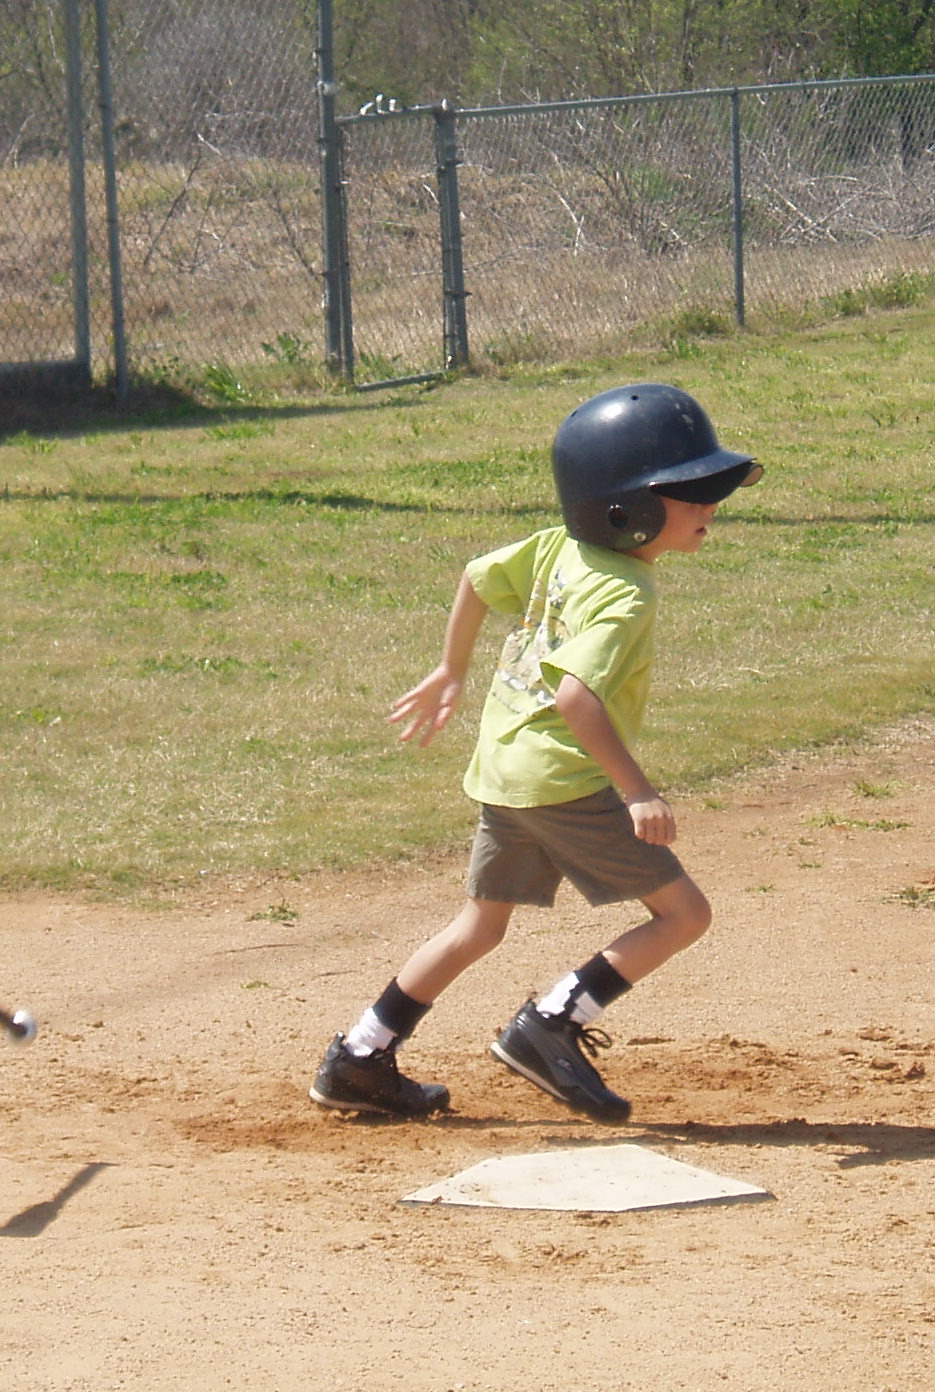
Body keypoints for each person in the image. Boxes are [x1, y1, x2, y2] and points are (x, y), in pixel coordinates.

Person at [310, 383, 762, 1123]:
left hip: (505, 771)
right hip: (562, 781)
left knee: (478, 928)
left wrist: (451, 669)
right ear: (626, 509)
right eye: (689, 492)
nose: (711, 505)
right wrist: (638, 791)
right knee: (683, 914)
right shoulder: (628, 594)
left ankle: (360, 1055)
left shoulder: (561, 547)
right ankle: (553, 1025)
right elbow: (579, 700)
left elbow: (477, 578)